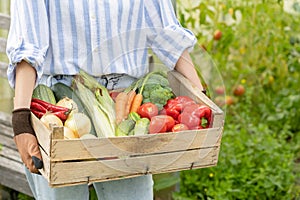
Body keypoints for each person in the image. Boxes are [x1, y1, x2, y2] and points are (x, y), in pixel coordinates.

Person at [6, 1, 205, 199]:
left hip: (125, 104)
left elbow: (168, 36)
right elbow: (28, 49)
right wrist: (21, 120)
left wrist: (200, 96)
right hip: (59, 107)